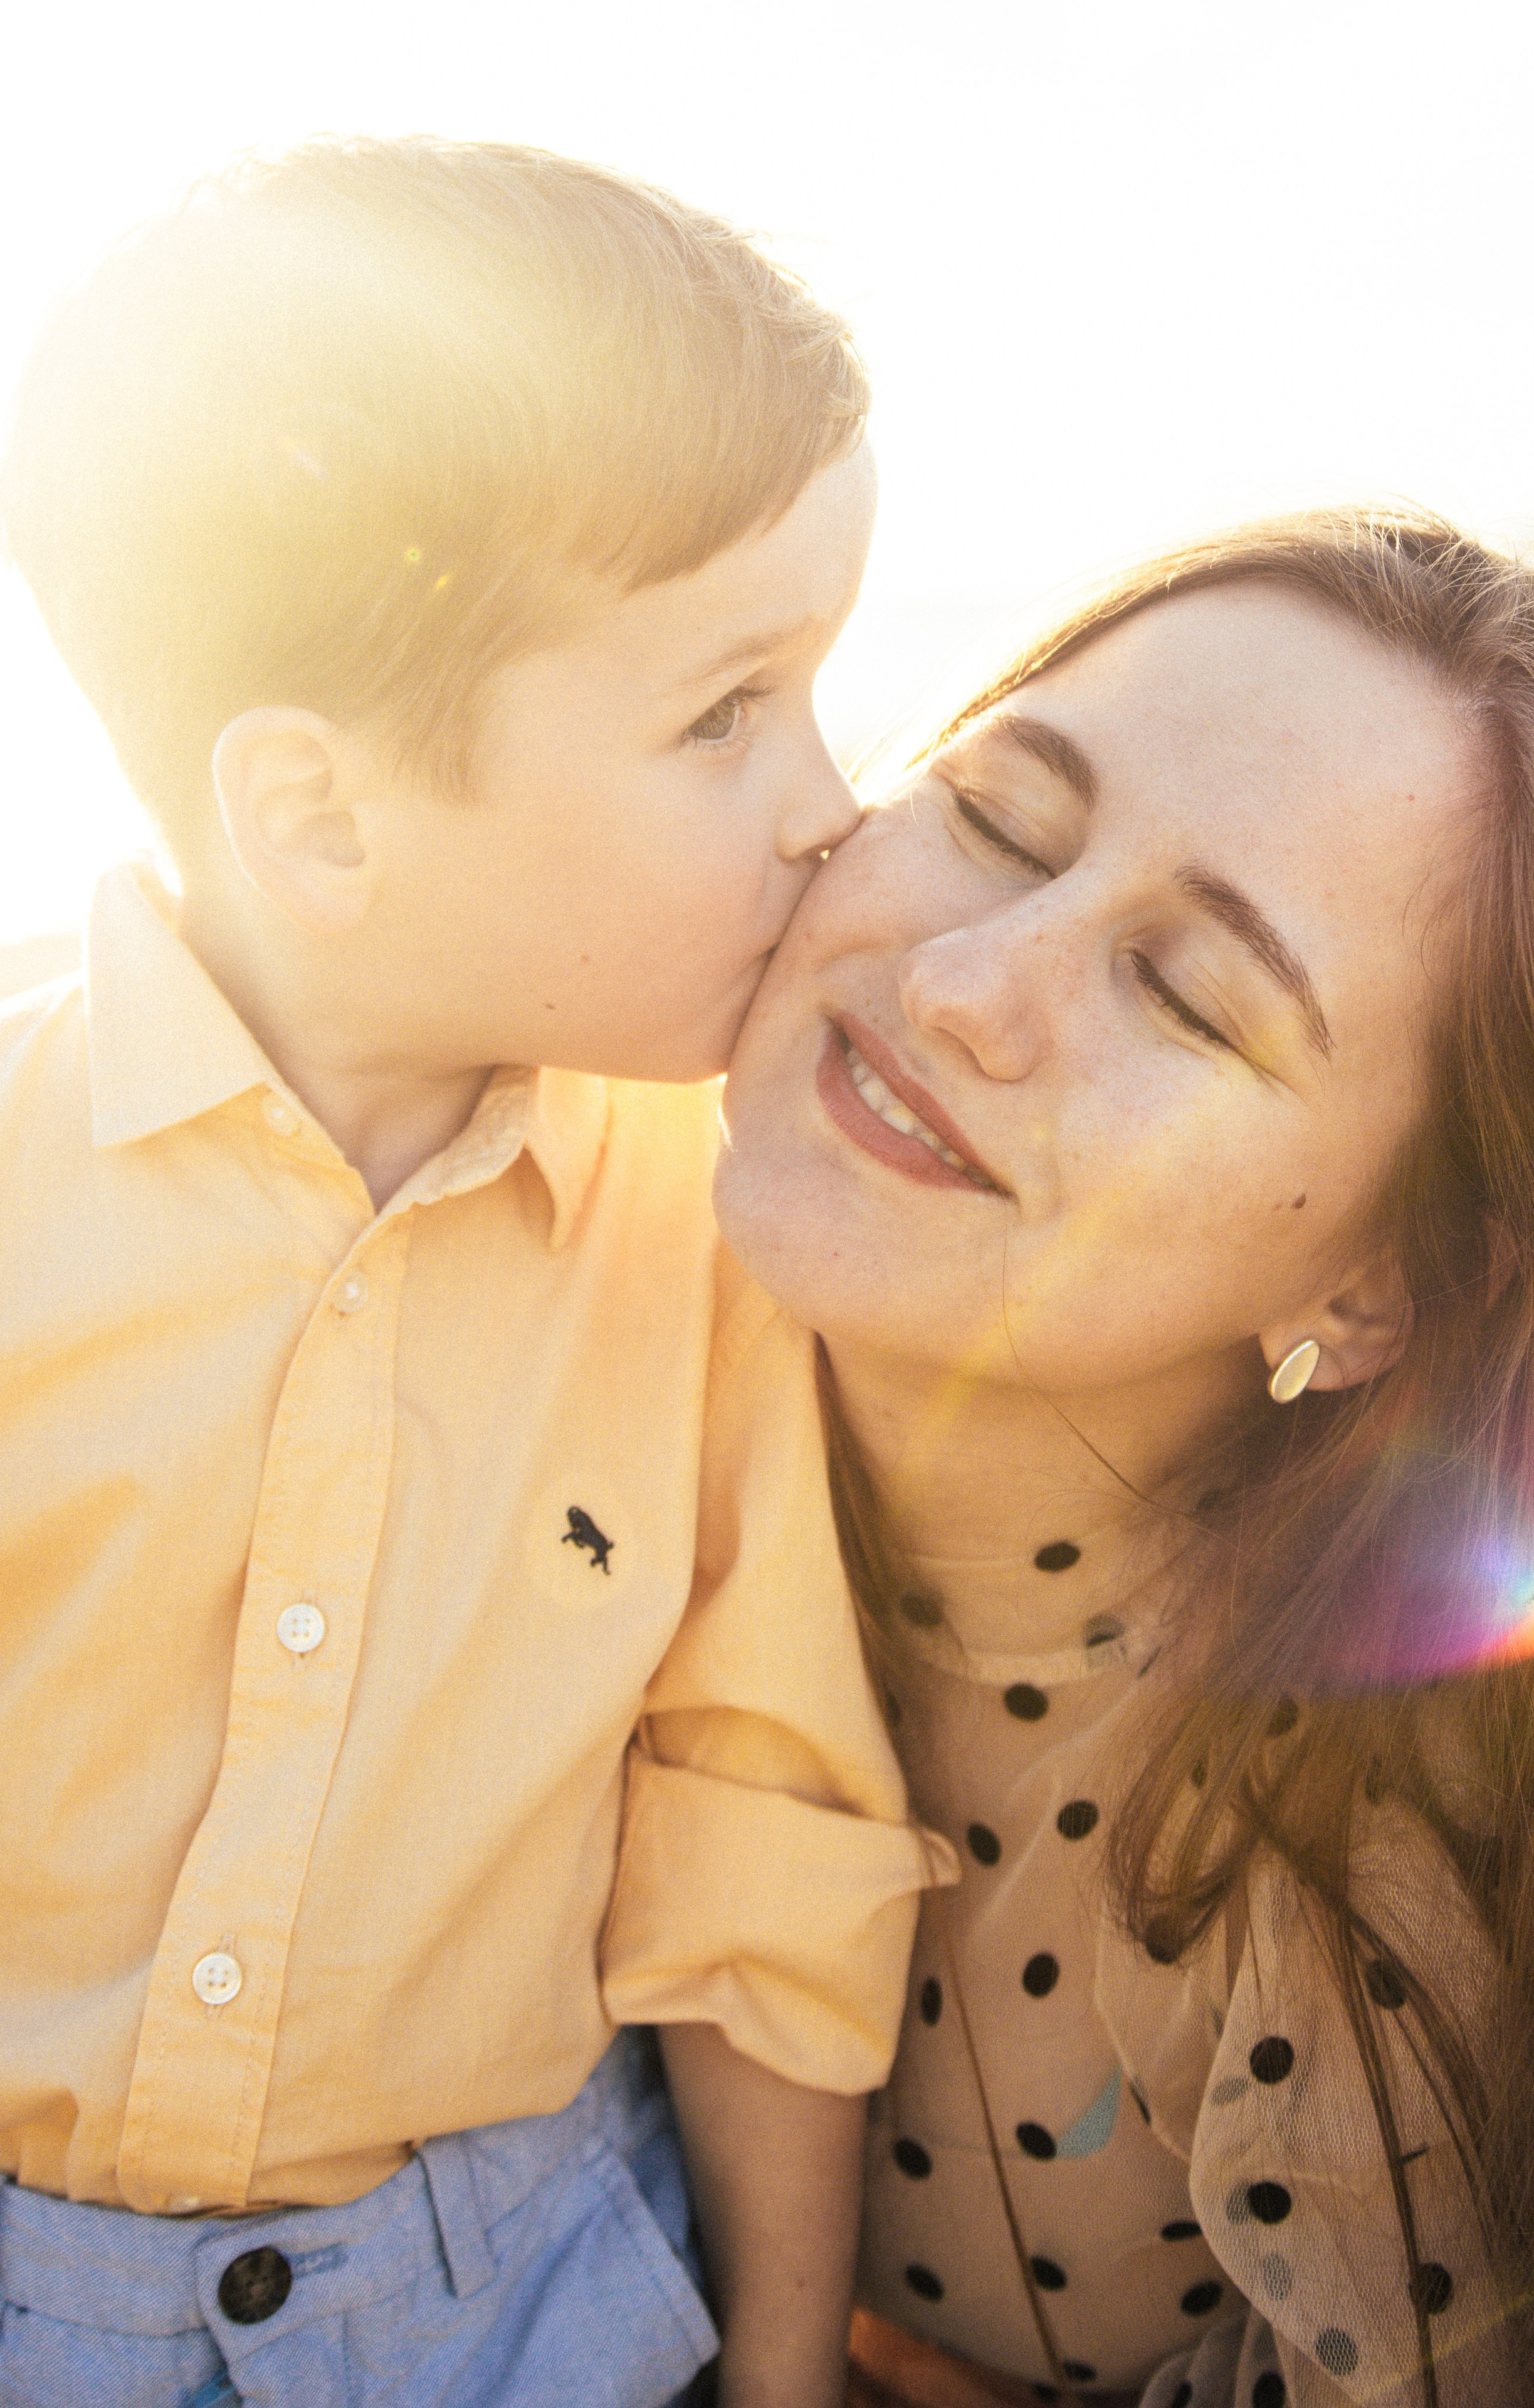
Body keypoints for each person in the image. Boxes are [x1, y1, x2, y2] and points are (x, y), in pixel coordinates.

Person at [0, 137, 945, 2408]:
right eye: (726, 713)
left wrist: (785, 2385)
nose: (835, 803)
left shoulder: (714, 1227)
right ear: (320, 819)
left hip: (522, 2310)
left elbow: (759, 1860)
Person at [713, 510, 1534, 2408]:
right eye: (999, 818)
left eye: (1190, 994)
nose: (969, 983)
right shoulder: (488, 1299)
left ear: (1384, 1281)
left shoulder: (1343, 1862)